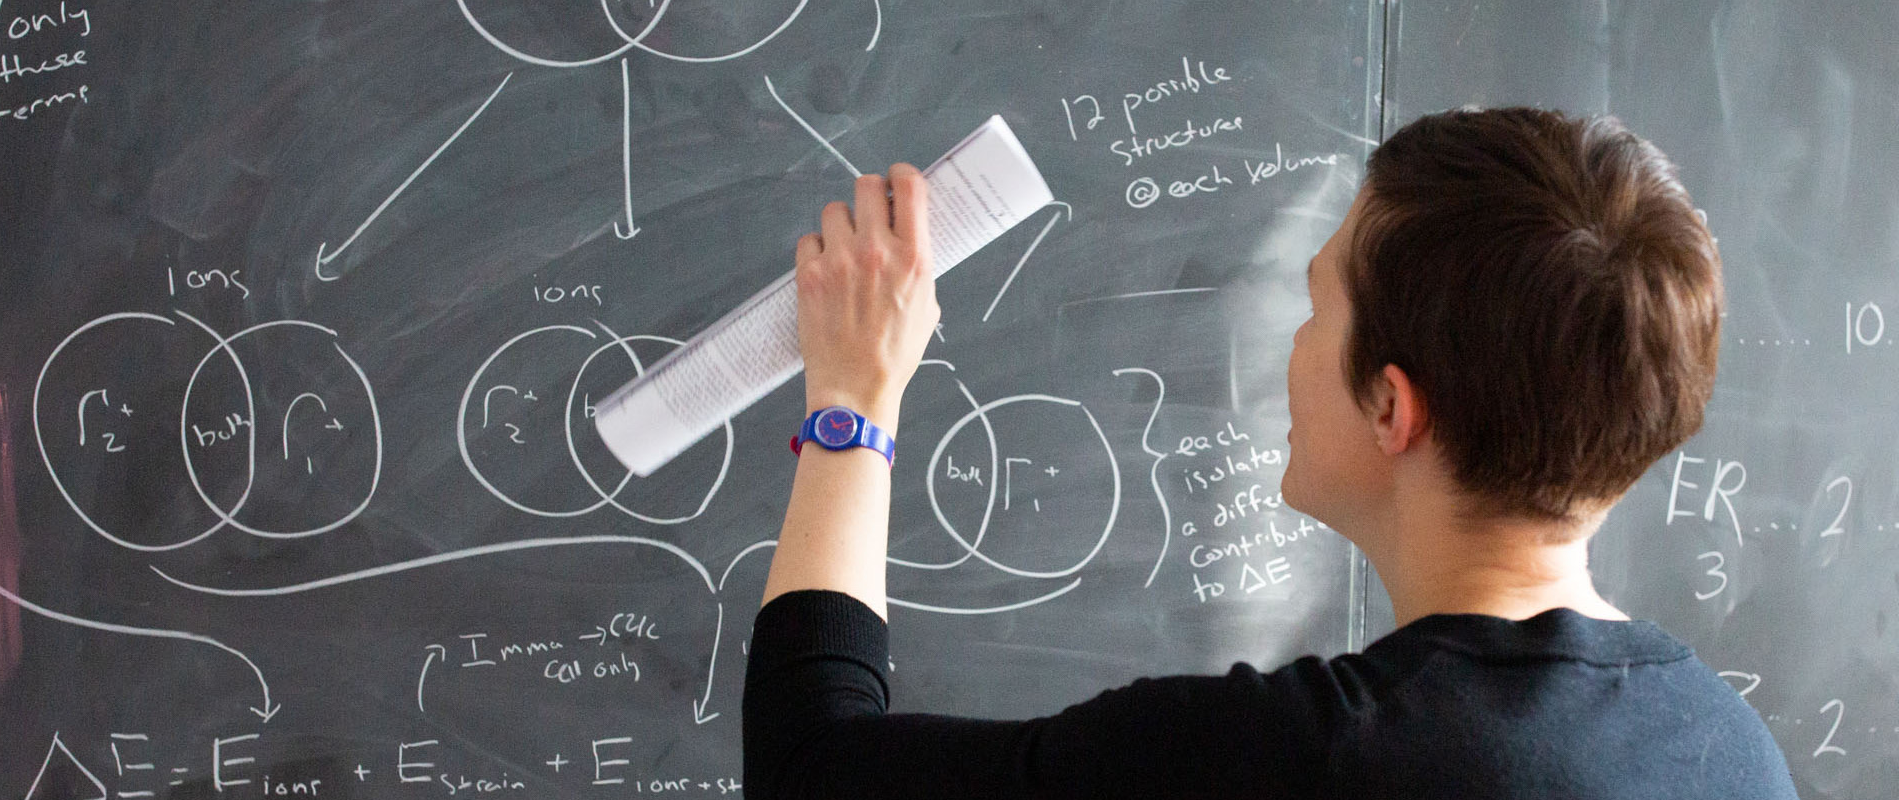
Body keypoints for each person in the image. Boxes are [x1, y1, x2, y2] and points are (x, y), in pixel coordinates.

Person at [741, 107, 1797, 798]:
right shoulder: (1733, 752)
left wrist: (853, 395)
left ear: (1392, 406)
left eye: (1314, 306)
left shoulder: (1297, 760)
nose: (1289, 346)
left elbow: (809, 772)